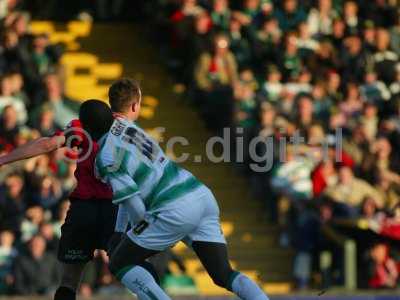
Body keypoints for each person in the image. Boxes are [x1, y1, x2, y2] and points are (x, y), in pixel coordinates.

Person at [97, 78, 270, 300]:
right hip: (200, 194)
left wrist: (127, 234)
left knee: (120, 261)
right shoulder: (137, 130)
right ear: (134, 106)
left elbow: (130, 198)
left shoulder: (109, 147)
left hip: (171, 207)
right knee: (222, 273)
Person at [0, 100, 139, 300]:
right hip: (116, 209)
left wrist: (4, 159)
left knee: (70, 280)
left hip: (84, 210)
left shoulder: (79, 128)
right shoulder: (128, 131)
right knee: (132, 269)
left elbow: (47, 144)